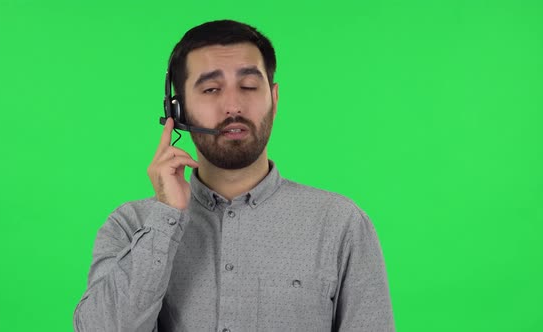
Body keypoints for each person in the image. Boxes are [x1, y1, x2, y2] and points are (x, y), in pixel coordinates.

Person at [74, 19, 395, 332]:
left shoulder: (341, 224)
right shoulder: (131, 225)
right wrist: (165, 219)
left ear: (274, 99)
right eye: (212, 89)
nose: (233, 105)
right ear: (178, 110)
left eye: (249, 86)